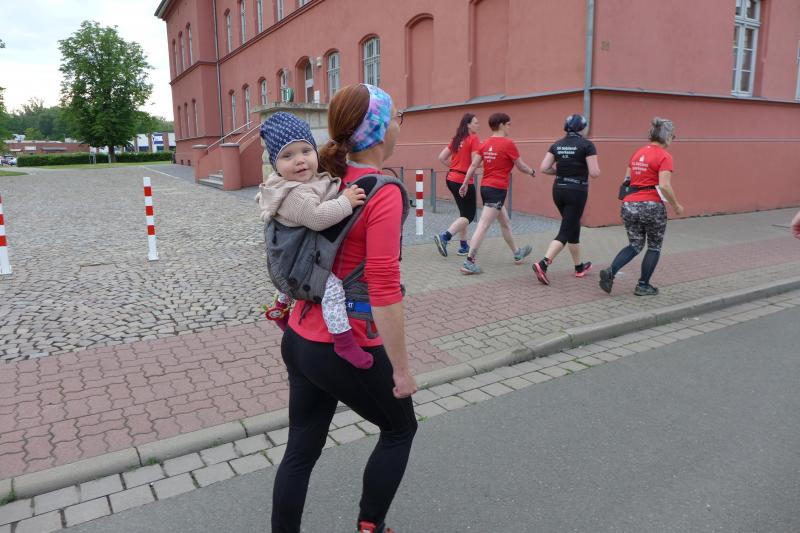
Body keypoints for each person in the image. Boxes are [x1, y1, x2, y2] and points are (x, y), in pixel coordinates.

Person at [271, 83, 418, 533]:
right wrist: (401, 370)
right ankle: (371, 525)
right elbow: (384, 288)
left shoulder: (328, 179)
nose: (399, 124)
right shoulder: (382, 191)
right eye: (395, 116)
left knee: (300, 451)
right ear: (379, 128)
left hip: (300, 336)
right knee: (400, 429)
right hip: (345, 343)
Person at [255, 112, 372, 369]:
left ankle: (280, 309)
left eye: (306, 151)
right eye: (287, 156)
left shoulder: (308, 180)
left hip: (293, 255)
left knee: (289, 277)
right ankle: (343, 342)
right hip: (297, 258)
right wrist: (345, 202)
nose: (300, 160)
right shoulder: (292, 193)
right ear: (275, 164)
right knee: (332, 288)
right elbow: (318, 218)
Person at [598, 117, 684, 296]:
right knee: (654, 246)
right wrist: (676, 205)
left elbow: (626, 180)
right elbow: (664, 185)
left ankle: (611, 272)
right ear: (667, 136)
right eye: (673, 136)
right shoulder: (665, 156)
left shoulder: (637, 153)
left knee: (635, 245)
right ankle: (643, 285)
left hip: (630, 205)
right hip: (652, 206)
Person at [458, 112, 537, 274]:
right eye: (508, 124)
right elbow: (521, 166)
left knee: (505, 222)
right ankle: (469, 262)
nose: (509, 127)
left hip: (486, 188)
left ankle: (517, 253)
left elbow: (473, 166)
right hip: (497, 190)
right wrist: (531, 171)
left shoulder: (484, 143)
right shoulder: (508, 144)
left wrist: (465, 183)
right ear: (501, 125)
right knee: (483, 225)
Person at [532, 114, 600, 285]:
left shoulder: (557, 144)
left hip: (558, 190)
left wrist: (561, 171)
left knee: (572, 226)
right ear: (582, 127)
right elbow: (594, 173)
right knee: (566, 230)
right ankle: (543, 264)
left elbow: (544, 168)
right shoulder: (587, 145)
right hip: (576, 191)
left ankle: (579, 267)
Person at [433, 113, 480, 257]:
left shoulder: (457, 139)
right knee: (469, 216)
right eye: (476, 123)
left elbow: (441, 157)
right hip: (463, 181)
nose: (478, 125)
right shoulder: (473, 139)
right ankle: (445, 237)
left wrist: (454, 167)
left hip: (451, 178)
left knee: (463, 214)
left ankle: (464, 246)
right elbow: (475, 162)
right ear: (468, 125)